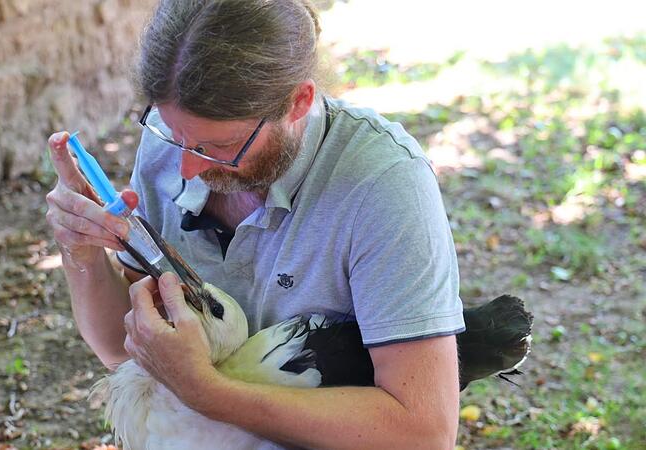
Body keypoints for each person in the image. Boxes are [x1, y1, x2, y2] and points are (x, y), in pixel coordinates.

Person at [45, 0, 465, 448]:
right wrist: (81, 248)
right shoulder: (176, 146)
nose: (185, 167)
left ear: (298, 102)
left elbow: (424, 433)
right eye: (172, 133)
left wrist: (204, 391)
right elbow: (117, 348)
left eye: (218, 145)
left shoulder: (382, 182)